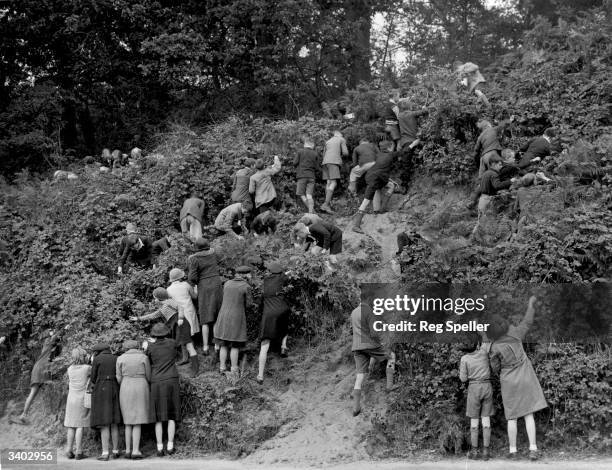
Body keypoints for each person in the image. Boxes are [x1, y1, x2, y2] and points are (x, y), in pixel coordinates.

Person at [488, 296, 547, 461]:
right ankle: (533, 450)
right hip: (526, 376)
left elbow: (494, 367)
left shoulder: (494, 346)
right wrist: (530, 304)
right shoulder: (515, 332)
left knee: (511, 417)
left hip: (509, 381)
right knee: (529, 414)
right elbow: (527, 321)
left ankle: (513, 451)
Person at [10, 328, 64, 425]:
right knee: (51, 387)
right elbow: (56, 337)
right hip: (41, 369)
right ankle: (54, 415)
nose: (53, 331)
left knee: (33, 393)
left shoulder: (49, 343)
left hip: (38, 368)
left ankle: (23, 415)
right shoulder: (49, 341)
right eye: (51, 331)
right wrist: (64, 329)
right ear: (49, 334)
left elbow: (57, 339)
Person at [351, 302, 395, 416]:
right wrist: (382, 342)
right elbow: (374, 332)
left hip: (356, 347)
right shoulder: (368, 311)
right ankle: (390, 386)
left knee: (359, 376)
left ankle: (356, 408)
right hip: (369, 344)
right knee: (392, 356)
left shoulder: (354, 312)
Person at [146, 323, 181, 457]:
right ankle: (171, 445)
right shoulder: (172, 343)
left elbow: (149, 357)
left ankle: (159, 447)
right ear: (166, 333)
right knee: (171, 415)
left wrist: (149, 344)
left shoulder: (150, 347)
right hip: (171, 379)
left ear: (153, 335)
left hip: (156, 382)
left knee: (158, 417)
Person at [213, 266, 253, 381]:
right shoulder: (246, 286)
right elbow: (249, 305)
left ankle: (222, 368)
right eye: (249, 274)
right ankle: (234, 369)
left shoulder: (227, 283)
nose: (251, 276)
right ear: (245, 275)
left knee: (223, 344)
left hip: (223, 316)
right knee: (235, 344)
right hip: (236, 317)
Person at [459, 333, 493, 461]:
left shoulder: (465, 359)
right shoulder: (484, 352)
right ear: (477, 344)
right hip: (487, 386)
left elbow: (463, 379)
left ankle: (474, 451)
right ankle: (486, 451)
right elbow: (487, 338)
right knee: (486, 419)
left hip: (474, 388)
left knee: (474, 420)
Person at [115, 340, 151, 460]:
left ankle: (128, 450)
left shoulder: (120, 358)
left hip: (125, 386)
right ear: (137, 346)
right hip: (141, 386)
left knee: (128, 420)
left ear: (125, 347)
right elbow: (148, 375)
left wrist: (125, 381)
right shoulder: (143, 357)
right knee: (138, 419)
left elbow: (118, 377)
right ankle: (136, 450)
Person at [188, 238, 223, 356]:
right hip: (217, 283)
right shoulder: (214, 253)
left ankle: (205, 347)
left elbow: (192, 277)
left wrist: (195, 284)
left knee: (205, 318)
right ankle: (218, 346)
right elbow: (221, 259)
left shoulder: (194, 259)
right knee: (217, 315)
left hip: (204, 286)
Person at [352, 141, 397, 234]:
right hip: (374, 180)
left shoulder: (378, 156)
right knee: (365, 202)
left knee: (391, 185)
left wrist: (389, 180)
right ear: (389, 147)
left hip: (374, 178)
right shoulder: (383, 156)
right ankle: (356, 225)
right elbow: (380, 171)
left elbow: (379, 170)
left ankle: (381, 209)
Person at [257, 262, 290, 384]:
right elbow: (289, 274)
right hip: (282, 308)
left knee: (264, 346)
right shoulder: (282, 278)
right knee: (284, 325)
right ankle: (283, 346)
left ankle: (260, 375)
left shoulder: (266, 281)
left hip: (269, 315)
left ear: (269, 272)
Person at [90, 343, 122, 461]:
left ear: (98, 351)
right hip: (114, 388)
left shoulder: (97, 359)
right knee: (114, 421)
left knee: (104, 422)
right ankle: (116, 450)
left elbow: (93, 378)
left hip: (101, 389)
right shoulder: (116, 358)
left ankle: (105, 453)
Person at [166, 268, 200, 377]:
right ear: (181, 277)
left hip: (178, 316)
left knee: (182, 336)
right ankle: (189, 359)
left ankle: (185, 358)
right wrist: (196, 288)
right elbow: (195, 296)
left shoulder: (168, 289)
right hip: (188, 312)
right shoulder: (186, 285)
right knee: (190, 337)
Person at [63, 347, 91, 460]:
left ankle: (69, 449)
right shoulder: (87, 368)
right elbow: (94, 372)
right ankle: (79, 451)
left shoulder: (69, 369)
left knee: (71, 425)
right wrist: (89, 359)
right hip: (81, 399)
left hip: (71, 399)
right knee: (80, 425)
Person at [321, 131, 348, 213]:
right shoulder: (341, 139)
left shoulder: (328, 141)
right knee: (334, 183)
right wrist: (340, 156)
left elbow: (323, 154)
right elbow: (345, 153)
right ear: (340, 134)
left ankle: (327, 205)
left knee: (328, 182)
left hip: (325, 162)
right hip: (334, 162)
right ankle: (325, 204)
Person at [293, 140, 319, 213]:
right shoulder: (315, 154)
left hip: (302, 176)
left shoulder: (300, 151)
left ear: (305, 145)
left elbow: (294, 163)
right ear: (312, 146)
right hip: (311, 176)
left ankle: (312, 212)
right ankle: (311, 212)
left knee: (301, 194)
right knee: (309, 195)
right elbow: (317, 167)